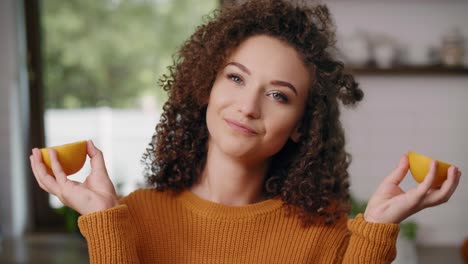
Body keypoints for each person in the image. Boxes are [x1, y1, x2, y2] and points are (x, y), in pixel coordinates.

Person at [30, 0, 462, 263]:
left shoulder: (327, 235)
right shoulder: (132, 218)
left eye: (279, 95)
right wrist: (102, 221)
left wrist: (376, 229)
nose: (248, 106)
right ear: (206, 87)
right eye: (235, 78)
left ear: (300, 128)